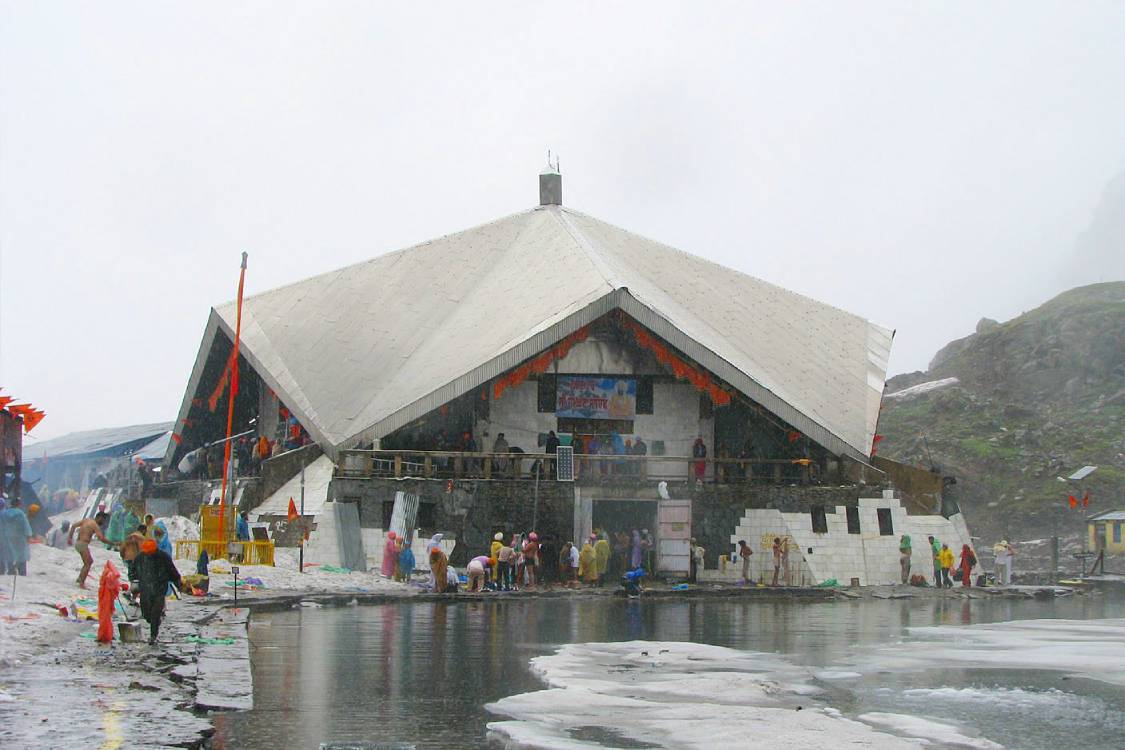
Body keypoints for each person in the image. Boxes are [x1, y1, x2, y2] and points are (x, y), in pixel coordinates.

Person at [134, 538, 183, 645]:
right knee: (146, 614)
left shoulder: (163, 557)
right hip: (145, 589)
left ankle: (153, 636)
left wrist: (178, 583)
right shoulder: (140, 558)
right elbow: (133, 570)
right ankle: (154, 622)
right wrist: (134, 581)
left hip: (159, 589)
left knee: (155, 612)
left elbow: (172, 570)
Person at [69, 513, 112, 588]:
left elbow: (73, 526)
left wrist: (70, 537)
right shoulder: (94, 525)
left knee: (89, 561)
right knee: (88, 563)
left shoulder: (86, 520)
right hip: (82, 544)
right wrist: (112, 543)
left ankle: (80, 578)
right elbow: (101, 538)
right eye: (103, 520)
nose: (103, 522)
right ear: (99, 517)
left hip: (79, 543)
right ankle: (81, 583)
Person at [0, 498, 34, 575]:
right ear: (19, 504)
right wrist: (29, 535)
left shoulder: (4, 513)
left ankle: (11, 571)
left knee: (10, 555)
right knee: (21, 556)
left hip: (8, 537)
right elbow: (26, 526)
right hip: (19, 538)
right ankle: (22, 573)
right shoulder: (20, 514)